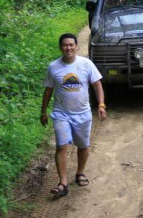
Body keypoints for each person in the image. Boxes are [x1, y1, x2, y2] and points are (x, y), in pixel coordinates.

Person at [40, 33, 107, 197]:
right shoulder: (53, 67)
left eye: (71, 45)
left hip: (83, 114)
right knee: (62, 146)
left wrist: (101, 104)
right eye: (65, 45)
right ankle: (62, 183)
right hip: (61, 114)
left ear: (76, 46)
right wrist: (43, 112)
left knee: (83, 146)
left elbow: (97, 84)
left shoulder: (86, 64)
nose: (68, 48)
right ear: (60, 47)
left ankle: (80, 172)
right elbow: (48, 90)